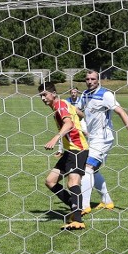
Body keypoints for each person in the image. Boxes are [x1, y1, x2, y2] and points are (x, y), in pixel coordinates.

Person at [76, 70, 128, 213]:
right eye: (87, 79)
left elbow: (121, 111)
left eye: (93, 79)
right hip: (91, 137)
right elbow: (79, 111)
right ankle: (107, 201)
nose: (90, 81)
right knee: (94, 170)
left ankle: (84, 205)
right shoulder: (85, 94)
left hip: (103, 138)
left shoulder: (105, 94)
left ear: (98, 80)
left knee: (87, 168)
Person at [38, 82, 89, 231]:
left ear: (53, 93)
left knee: (73, 181)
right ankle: (76, 207)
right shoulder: (64, 104)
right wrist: (82, 125)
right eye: (40, 95)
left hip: (78, 149)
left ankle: (78, 221)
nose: (42, 98)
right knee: (50, 181)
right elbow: (79, 114)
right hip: (69, 150)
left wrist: (56, 138)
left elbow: (69, 123)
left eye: (45, 94)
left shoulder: (60, 105)